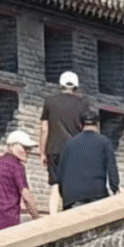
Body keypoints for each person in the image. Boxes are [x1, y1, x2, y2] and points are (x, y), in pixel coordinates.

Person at [38, 71, 90, 215]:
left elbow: (44, 128)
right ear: (76, 86)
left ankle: (53, 217)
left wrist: (42, 152)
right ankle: (70, 216)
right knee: (72, 184)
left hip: (54, 149)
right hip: (75, 150)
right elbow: (86, 128)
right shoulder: (83, 104)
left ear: (61, 85)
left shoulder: (49, 102)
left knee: (55, 185)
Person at [0, 130, 42, 234]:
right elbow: (25, 194)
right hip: (7, 222)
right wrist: (37, 219)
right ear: (12, 146)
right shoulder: (16, 166)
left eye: (29, 148)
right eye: (25, 148)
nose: (28, 151)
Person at [58, 110, 120, 210]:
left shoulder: (68, 144)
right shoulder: (104, 142)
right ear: (97, 124)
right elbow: (112, 169)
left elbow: (61, 172)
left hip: (72, 197)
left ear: (81, 125)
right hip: (96, 194)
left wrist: (64, 195)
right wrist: (115, 188)